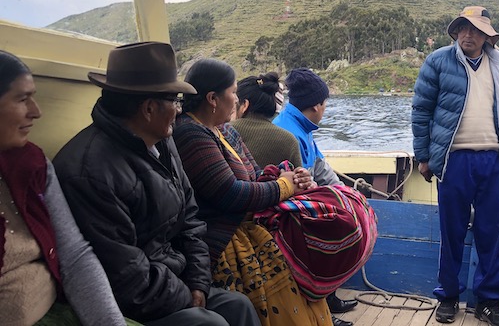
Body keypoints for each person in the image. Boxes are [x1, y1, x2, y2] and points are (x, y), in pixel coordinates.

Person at [52, 42, 259, 326]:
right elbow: (125, 275)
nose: (178, 110)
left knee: (239, 305)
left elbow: (191, 221)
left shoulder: (163, 142)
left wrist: (198, 284)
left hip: (173, 280)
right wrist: (187, 298)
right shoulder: (90, 171)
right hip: (134, 300)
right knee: (211, 324)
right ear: (149, 108)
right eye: (174, 101)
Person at [171, 59, 332, 326]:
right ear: (212, 98)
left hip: (248, 231)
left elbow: (256, 175)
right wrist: (284, 186)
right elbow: (231, 194)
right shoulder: (192, 135)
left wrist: (289, 175)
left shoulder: (225, 131)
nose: (236, 100)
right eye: (232, 92)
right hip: (222, 242)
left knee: (306, 284)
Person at [411, 6, 499, 326]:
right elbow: (421, 112)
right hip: (454, 160)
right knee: (451, 232)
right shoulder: (438, 61)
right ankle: (448, 296)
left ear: (487, 35)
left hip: (493, 160)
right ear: (456, 31)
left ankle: (489, 301)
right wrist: (423, 157)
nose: (468, 34)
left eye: (476, 30)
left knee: (490, 231)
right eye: (463, 28)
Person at [0, 51, 134, 326]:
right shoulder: (91, 162)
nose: (36, 112)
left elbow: (73, 253)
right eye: (22, 99)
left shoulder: (33, 165)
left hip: (57, 306)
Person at [272, 67, 358, 322]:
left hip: (303, 201)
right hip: (287, 214)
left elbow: (320, 168)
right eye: (325, 104)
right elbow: (297, 186)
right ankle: (322, 312)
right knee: (333, 232)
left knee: (346, 215)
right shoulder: (288, 134)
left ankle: (328, 298)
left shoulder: (302, 127)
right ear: (317, 106)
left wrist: (347, 195)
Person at [232, 73, 302, 169]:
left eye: (235, 103)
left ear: (245, 105)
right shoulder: (289, 140)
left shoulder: (224, 131)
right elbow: (299, 179)